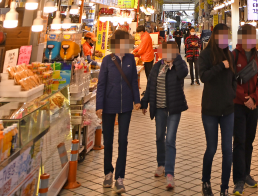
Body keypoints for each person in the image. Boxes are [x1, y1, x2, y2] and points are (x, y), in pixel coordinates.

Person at [140, 39, 188, 190]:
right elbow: (150, 86)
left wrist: (177, 57)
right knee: (160, 137)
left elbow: (184, 73)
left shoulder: (178, 67)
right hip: (159, 107)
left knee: (170, 139)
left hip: (174, 108)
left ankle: (169, 173)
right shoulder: (156, 67)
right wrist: (144, 102)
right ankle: (160, 164)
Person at [96, 29, 141, 194]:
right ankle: (108, 172)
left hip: (126, 106)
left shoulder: (131, 59)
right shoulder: (107, 60)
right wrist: (99, 105)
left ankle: (120, 177)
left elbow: (134, 81)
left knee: (123, 140)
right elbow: (101, 84)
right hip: (108, 105)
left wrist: (137, 100)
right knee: (108, 141)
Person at [198, 23, 236, 196]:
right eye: (222, 35)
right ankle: (206, 182)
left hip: (228, 110)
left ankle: (224, 187)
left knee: (228, 150)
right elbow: (203, 77)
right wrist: (220, 66)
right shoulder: (206, 54)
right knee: (211, 149)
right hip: (210, 110)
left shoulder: (230, 53)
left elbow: (234, 77)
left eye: (227, 35)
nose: (225, 38)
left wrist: (232, 93)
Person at [231, 24, 258, 196]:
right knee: (239, 141)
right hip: (237, 106)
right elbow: (229, 81)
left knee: (249, 141)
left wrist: (255, 97)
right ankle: (238, 179)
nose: (253, 40)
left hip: (253, 105)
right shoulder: (233, 56)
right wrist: (245, 97)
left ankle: (246, 174)